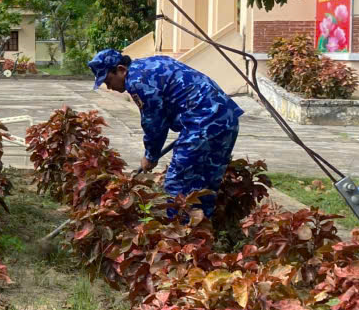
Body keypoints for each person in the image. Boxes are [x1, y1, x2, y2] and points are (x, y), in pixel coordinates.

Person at [88, 48, 243, 216]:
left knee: (176, 184)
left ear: (121, 70)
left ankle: (180, 236)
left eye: (108, 80)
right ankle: (202, 233)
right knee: (205, 184)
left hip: (202, 123)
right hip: (226, 118)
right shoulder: (151, 64)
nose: (109, 87)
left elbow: (154, 123)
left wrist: (150, 156)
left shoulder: (137, 80)